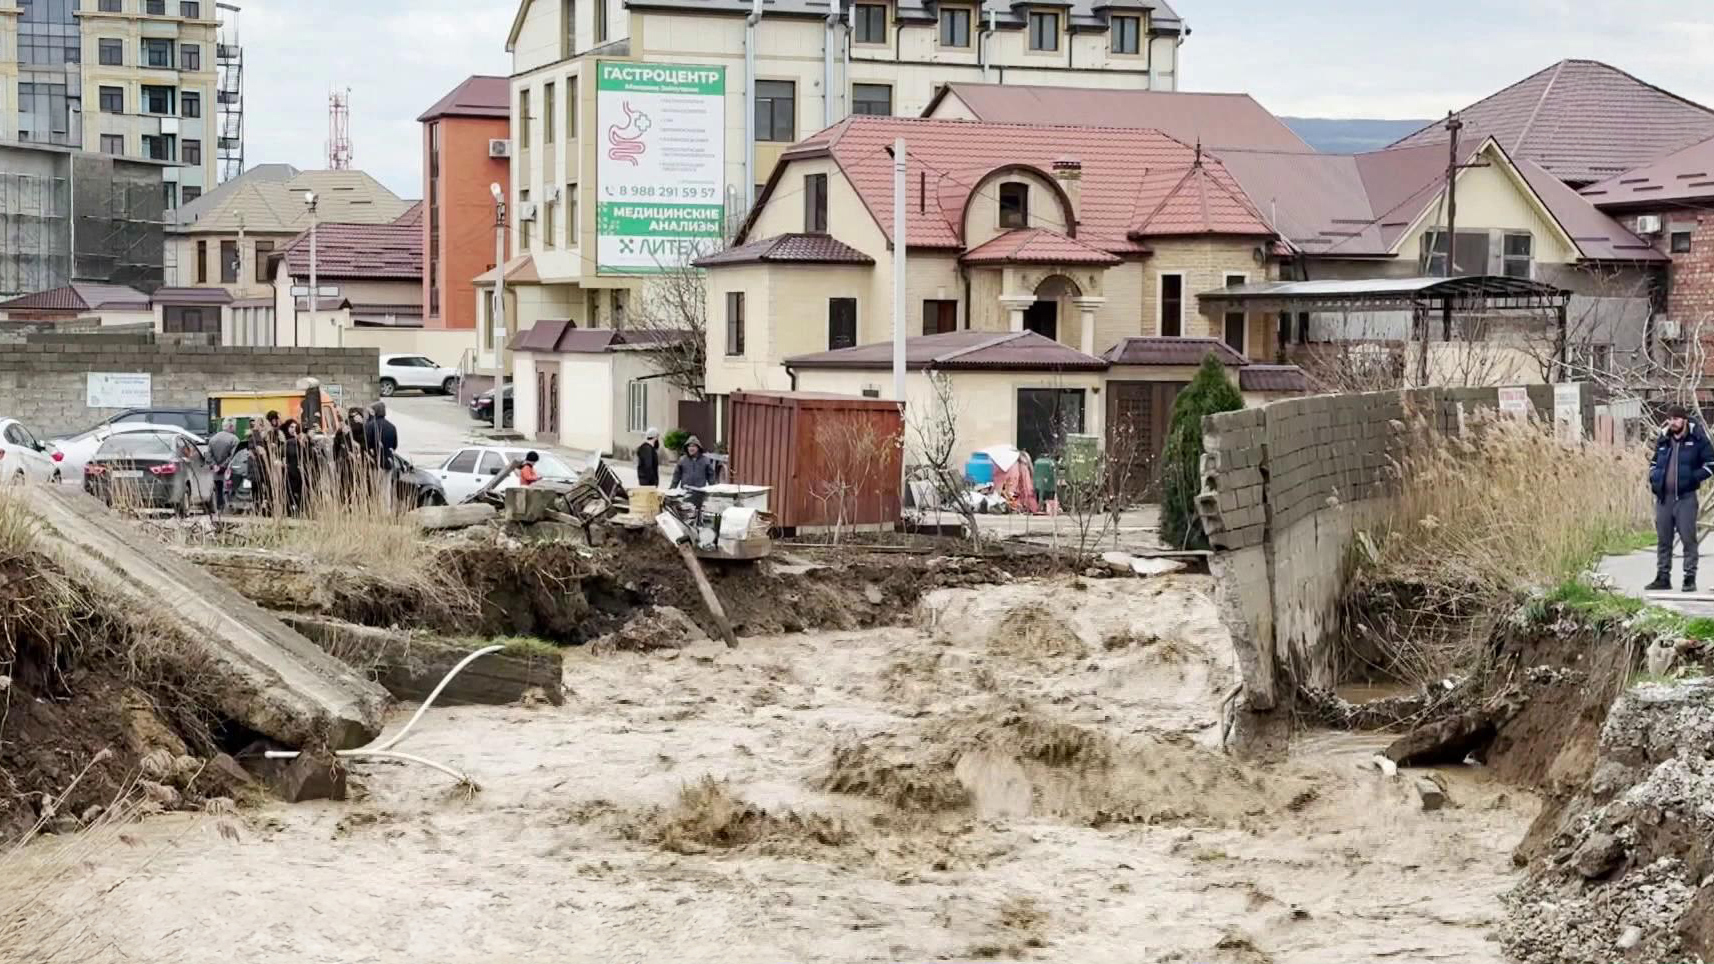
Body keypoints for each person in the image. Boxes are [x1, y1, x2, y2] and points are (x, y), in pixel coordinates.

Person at [1648, 403, 1714, 592]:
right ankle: (1662, 577)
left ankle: (1689, 578)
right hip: (1663, 498)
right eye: (1670, 419)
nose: (1672, 423)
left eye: (1676, 419)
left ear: (1684, 420)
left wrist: (1694, 478)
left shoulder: (1697, 438)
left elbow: (1711, 463)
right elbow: (1654, 462)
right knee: (1663, 539)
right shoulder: (1664, 439)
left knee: (1688, 538)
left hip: (1685, 498)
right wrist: (1653, 476)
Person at [207, 418, 239, 513]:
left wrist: (215, 465)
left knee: (218, 490)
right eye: (234, 426)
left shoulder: (213, 439)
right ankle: (228, 511)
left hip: (216, 473)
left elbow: (208, 456)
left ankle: (219, 510)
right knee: (229, 491)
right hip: (228, 472)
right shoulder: (234, 439)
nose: (235, 429)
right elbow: (234, 457)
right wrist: (223, 466)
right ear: (231, 426)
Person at [280, 418, 305, 515]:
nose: (293, 430)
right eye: (291, 427)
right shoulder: (288, 443)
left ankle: (301, 510)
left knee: (301, 493)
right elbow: (283, 457)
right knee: (291, 493)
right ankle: (292, 509)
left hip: (302, 473)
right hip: (291, 472)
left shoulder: (305, 443)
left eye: (295, 428)